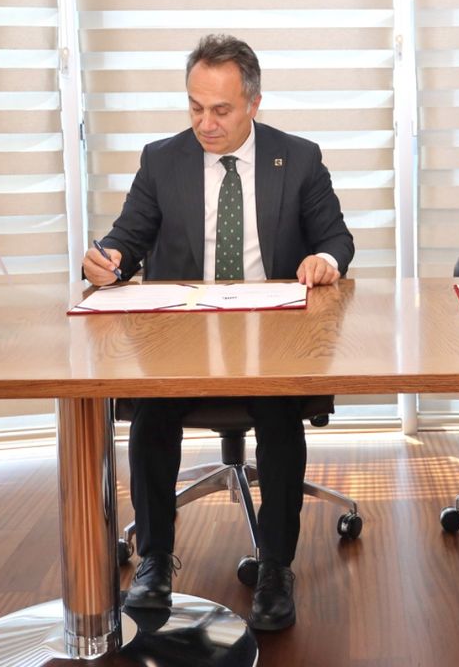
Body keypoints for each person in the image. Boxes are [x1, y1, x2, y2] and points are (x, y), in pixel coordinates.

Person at [82, 34, 355, 631]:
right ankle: (155, 561)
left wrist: (325, 261)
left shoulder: (298, 158)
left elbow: (337, 238)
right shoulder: (162, 160)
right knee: (153, 411)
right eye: (195, 107)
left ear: (253, 103)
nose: (205, 123)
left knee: (279, 413)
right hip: (185, 336)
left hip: (269, 336)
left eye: (221, 110)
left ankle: (276, 567)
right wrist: (108, 260)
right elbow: (127, 237)